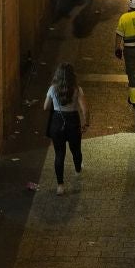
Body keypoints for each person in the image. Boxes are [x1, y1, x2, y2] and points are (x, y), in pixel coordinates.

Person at [44, 63, 89, 195]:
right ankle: (77, 170)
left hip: (57, 122)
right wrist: (86, 124)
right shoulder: (77, 89)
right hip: (73, 122)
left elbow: (45, 107)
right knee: (76, 150)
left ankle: (60, 186)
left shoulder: (52, 89)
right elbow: (85, 110)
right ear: (72, 76)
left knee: (59, 154)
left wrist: (55, 104)